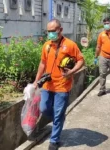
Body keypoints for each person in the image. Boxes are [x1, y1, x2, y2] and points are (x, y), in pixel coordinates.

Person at [33, 19, 84, 150]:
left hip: (62, 85)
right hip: (47, 85)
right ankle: (57, 119)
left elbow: (80, 60)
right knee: (44, 108)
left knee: (58, 113)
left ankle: (54, 140)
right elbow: (42, 63)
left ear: (60, 30)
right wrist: (36, 81)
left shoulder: (70, 44)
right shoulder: (46, 45)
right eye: (48, 31)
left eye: (53, 31)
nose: (50, 34)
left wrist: (72, 71)